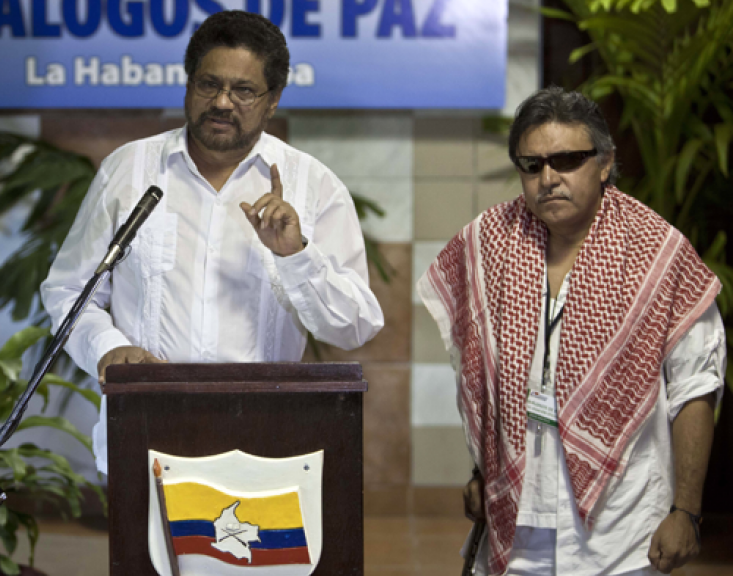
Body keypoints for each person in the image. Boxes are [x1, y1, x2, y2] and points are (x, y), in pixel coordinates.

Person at [41, 10, 384, 473]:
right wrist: (105, 347)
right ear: (188, 85)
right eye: (208, 84)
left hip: (267, 442)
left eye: (243, 90)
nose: (223, 102)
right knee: (143, 550)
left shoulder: (313, 186)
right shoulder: (130, 171)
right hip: (145, 432)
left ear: (273, 100)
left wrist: (297, 257)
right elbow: (67, 288)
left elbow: (355, 325)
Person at [417, 86, 724, 576]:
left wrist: (686, 510)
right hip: (515, 522)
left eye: (567, 160)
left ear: (604, 163)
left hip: (619, 530)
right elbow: (481, 375)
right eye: (532, 164)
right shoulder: (490, 242)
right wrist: (483, 469)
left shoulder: (658, 253)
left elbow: (696, 390)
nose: (549, 178)